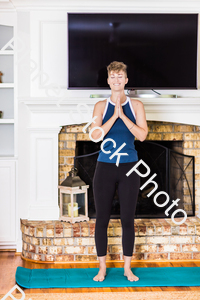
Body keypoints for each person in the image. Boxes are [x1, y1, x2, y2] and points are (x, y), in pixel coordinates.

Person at [90, 61, 148, 282]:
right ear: (108, 81)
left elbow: (142, 135)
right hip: (105, 167)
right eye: (112, 76)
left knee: (127, 219)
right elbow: (95, 136)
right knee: (102, 219)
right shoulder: (100, 107)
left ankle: (127, 268)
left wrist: (123, 115)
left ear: (126, 80)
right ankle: (102, 268)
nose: (116, 80)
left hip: (129, 168)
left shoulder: (137, 106)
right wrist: (113, 116)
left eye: (120, 76)